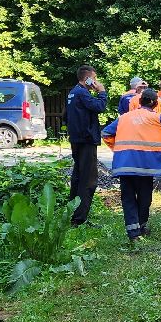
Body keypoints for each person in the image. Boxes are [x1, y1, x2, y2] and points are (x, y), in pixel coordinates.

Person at [101, 88, 161, 249]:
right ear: (154, 103)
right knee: (144, 197)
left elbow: (105, 133)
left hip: (125, 165)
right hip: (146, 166)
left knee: (128, 198)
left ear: (140, 102)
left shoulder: (124, 118)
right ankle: (141, 226)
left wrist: (117, 149)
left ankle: (133, 233)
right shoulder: (157, 118)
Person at [65, 65, 108, 225]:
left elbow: (65, 116)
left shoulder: (73, 92)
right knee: (88, 181)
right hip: (86, 141)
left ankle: (72, 214)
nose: (96, 82)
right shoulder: (83, 93)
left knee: (77, 178)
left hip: (76, 140)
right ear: (87, 78)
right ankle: (79, 219)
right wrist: (102, 92)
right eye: (94, 78)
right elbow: (100, 107)